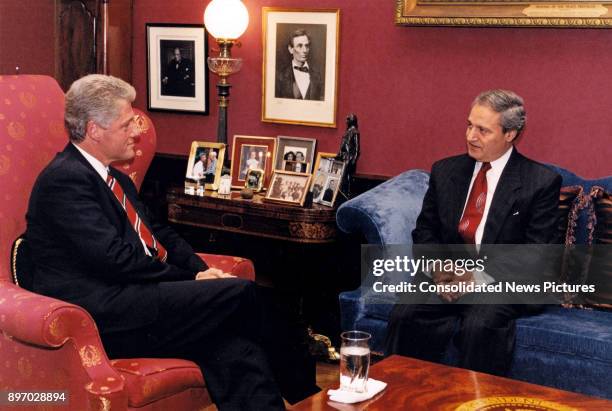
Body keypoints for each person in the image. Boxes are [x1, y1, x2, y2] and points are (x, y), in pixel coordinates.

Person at [25, 74, 318, 410]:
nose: (137, 131)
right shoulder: (64, 181)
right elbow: (114, 259)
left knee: (230, 344)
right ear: (94, 130)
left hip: (140, 299)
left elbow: (160, 235)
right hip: (104, 315)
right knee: (247, 296)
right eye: (127, 124)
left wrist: (203, 270)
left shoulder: (113, 177)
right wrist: (192, 279)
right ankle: (311, 398)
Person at [385, 89, 562, 376]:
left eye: (483, 130)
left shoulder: (539, 183)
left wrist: (474, 278)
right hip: (446, 277)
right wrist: (439, 270)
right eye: (469, 125)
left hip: (500, 284)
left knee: (481, 325)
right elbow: (425, 232)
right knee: (406, 313)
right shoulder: (445, 171)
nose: (471, 136)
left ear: (511, 134)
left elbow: (536, 255)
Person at [275, 29, 324, 101]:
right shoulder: (280, 75)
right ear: (291, 49)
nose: (304, 50)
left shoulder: (318, 74)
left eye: (306, 46)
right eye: (300, 46)